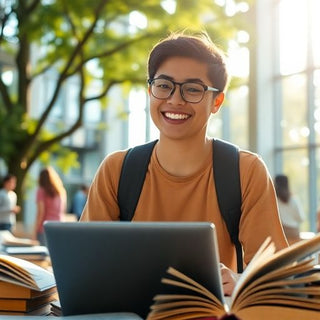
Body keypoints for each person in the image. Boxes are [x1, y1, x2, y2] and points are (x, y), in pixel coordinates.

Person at [81, 32, 288, 295]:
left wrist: (241, 282)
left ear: (217, 101)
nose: (175, 100)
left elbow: (276, 279)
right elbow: (86, 268)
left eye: (192, 89)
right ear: (150, 90)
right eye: (164, 85)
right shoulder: (117, 169)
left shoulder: (245, 171)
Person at [33, 167, 66, 245]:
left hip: (45, 229)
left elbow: (41, 212)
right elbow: (63, 211)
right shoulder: (61, 191)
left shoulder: (41, 191)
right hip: (59, 227)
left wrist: (34, 231)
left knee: (44, 254)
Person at [274, 174, 305, 244]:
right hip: (294, 232)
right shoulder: (294, 199)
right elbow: (301, 218)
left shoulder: (274, 201)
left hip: (282, 233)